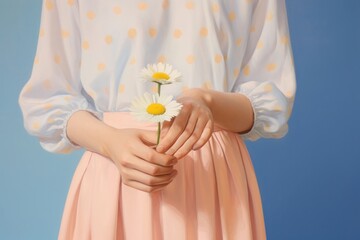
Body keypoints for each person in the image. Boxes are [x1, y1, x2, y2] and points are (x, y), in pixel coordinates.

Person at [19, 0, 296, 239]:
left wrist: (207, 102)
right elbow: (49, 98)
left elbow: (272, 101)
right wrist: (109, 143)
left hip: (213, 185)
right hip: (117, 178)